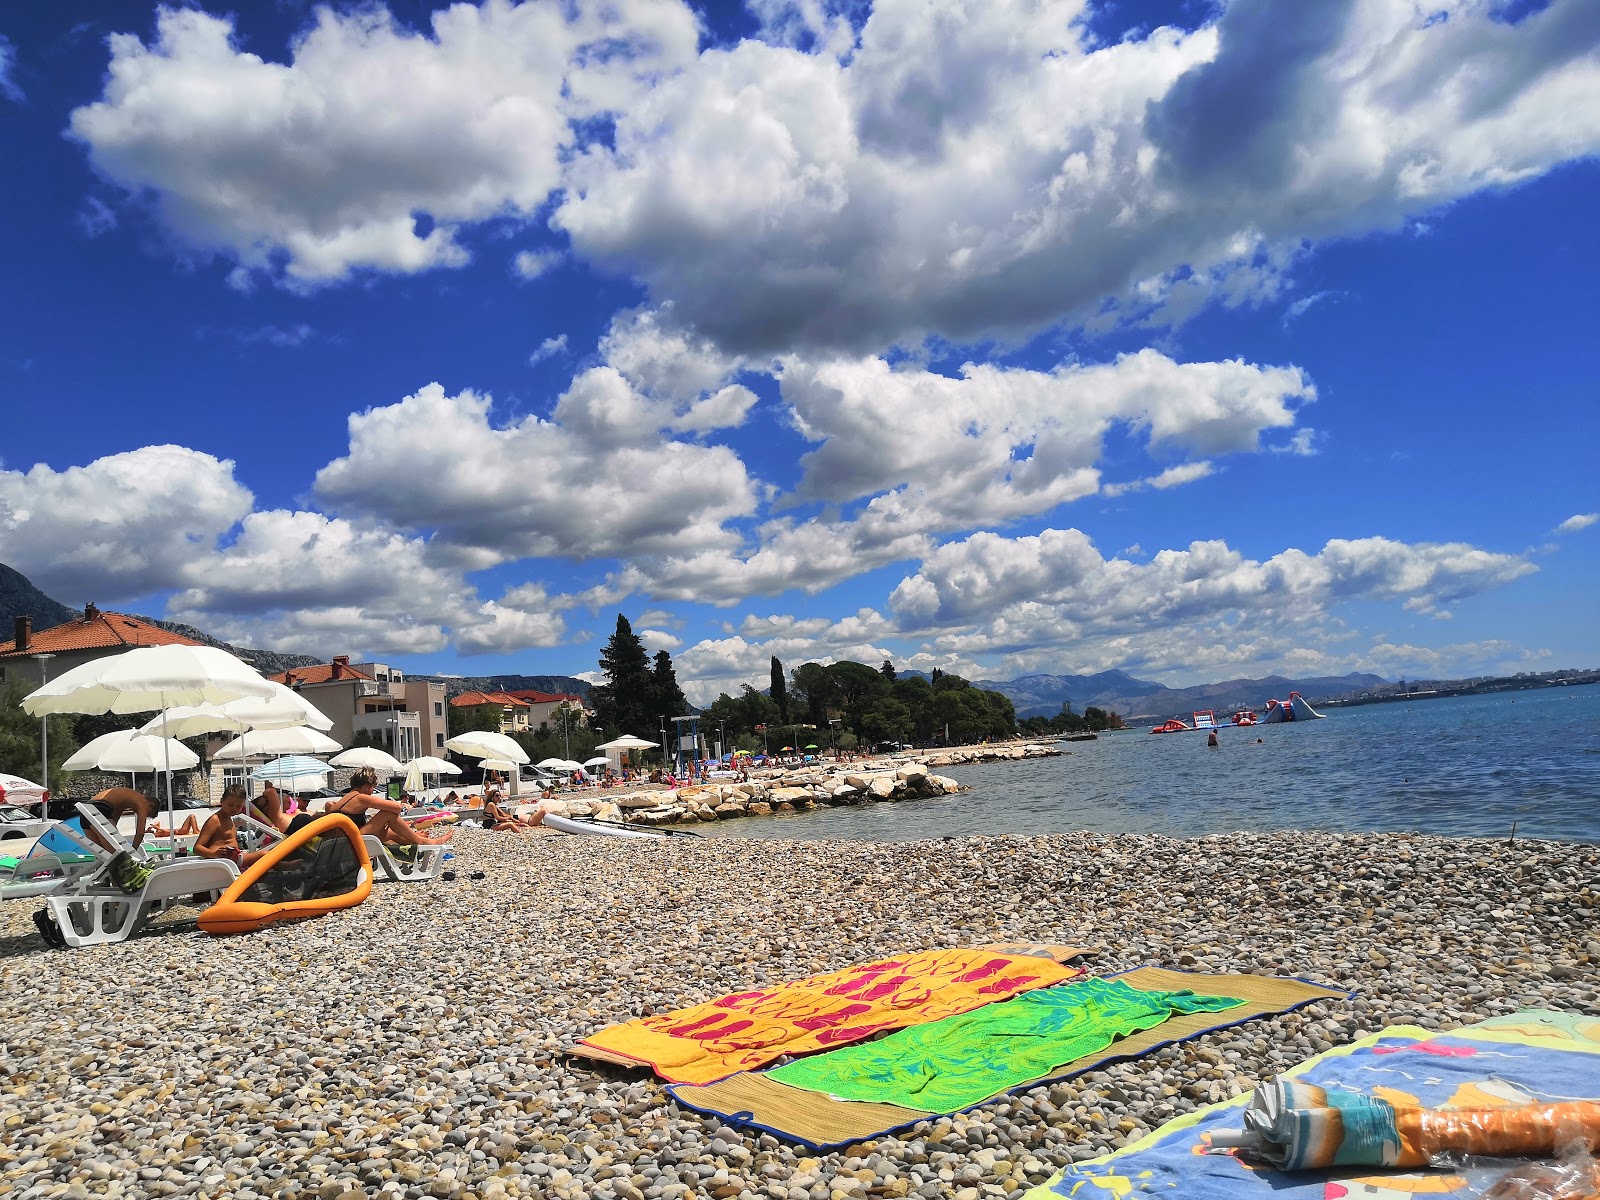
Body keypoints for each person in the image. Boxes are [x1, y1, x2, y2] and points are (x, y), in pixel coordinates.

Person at [327, 768, 451, 846]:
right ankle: (422, 841)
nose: (372, 791)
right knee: (388, 814)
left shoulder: (347, 798)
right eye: (372, 788)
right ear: (366, 786)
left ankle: (419, 840)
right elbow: (395, 808)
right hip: (349, 843)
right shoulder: (360, 797)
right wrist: (403, 806)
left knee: (391, 832)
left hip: (342, 840)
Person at [194, 786, 273, 870]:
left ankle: (286, 867)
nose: (234, 809)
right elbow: (197, 848)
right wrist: (214, 853)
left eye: (239, 806)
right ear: (221, 801)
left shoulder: (229, 820)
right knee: (264, 855)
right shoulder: (215, 820)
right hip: (220, 862)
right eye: (230, 805)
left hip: (233, 859)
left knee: (270, 856)